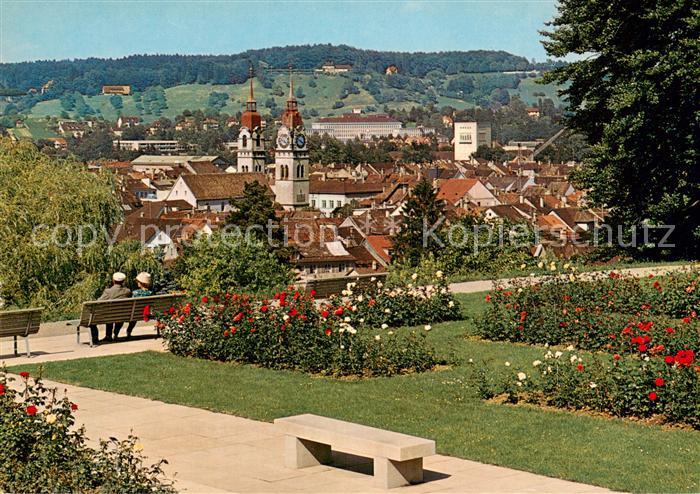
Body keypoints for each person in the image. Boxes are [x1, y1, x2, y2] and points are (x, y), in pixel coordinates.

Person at [89, 272, 131, 345]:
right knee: (114, 313)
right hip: (122, 315)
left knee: (109, 313)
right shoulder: (127, 291)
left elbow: (98, 302)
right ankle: (111, 335)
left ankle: (104, 337)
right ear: (123, 281)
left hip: (110, 316)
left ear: (113, 280)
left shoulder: (108, 291)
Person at [118, 272, 153, 340]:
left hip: (134, 314)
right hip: (147, 313)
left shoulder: (135, 293)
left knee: (133, 316)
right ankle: (128, 332)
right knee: (136, 314)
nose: (137, 283)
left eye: (138, 282)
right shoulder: (151, 293)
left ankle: (128, 332)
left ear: (141, 283)